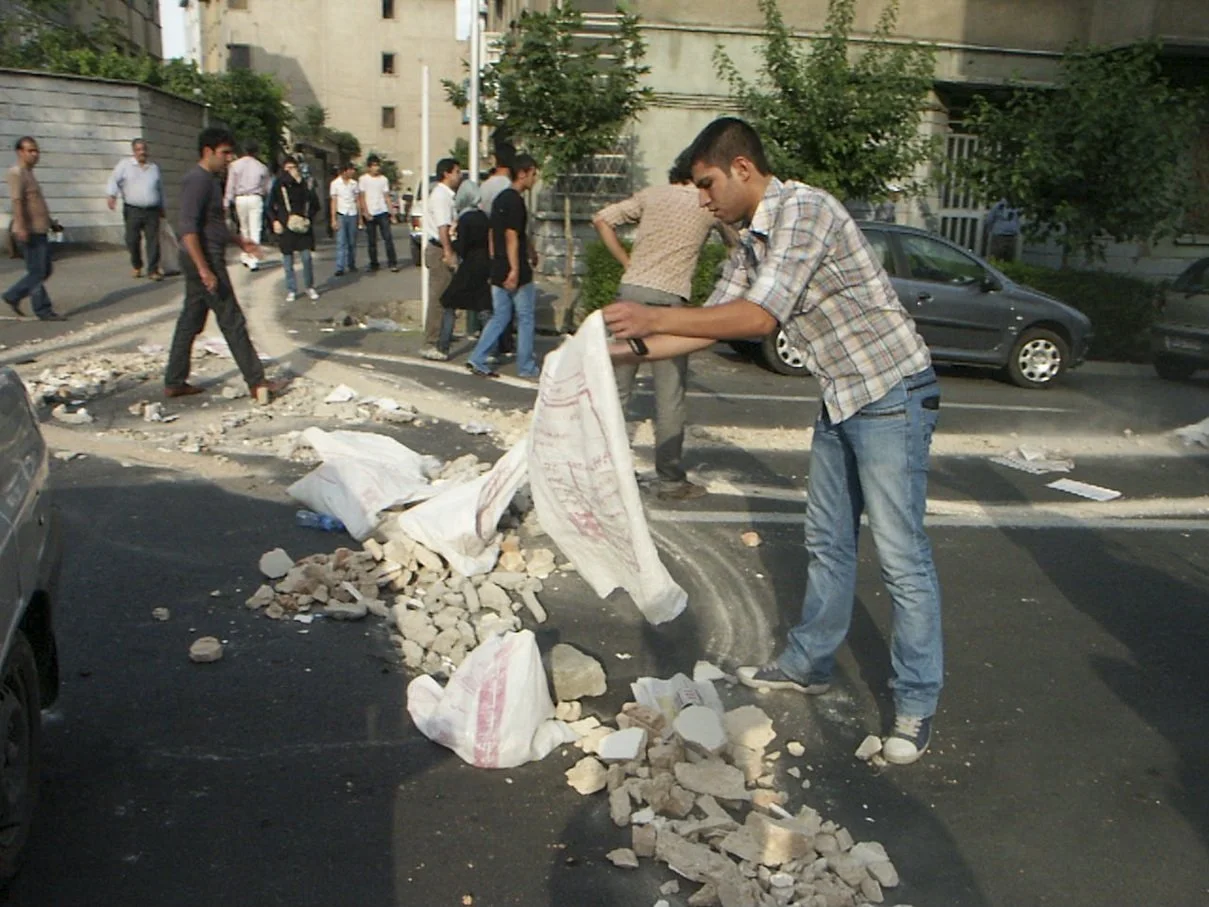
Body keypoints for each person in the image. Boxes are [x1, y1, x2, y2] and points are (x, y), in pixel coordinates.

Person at [603, 118, 942, 765]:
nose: (702, 200)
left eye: (706, 184)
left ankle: (916, 703)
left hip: (892, 394)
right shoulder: (749, 242)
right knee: (827, 541)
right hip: (842, 395)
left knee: (902, 558)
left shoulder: (805, 212)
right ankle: (808, 663)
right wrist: (614, 352)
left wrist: (652, 313)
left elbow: (759, 318)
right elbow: (709, 325)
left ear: (742, 169)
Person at [593, 149, 733, 502]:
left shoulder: (651, 195)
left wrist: (628, 262)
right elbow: (737, 243)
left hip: (630, 294)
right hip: (670, 303)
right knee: (669, 398)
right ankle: (670, 481)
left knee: (616, 391)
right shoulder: (706, 204)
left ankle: (603, 473)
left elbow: (602, 219)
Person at [165, 127, 287, 403]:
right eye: (225, 153)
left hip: (206, 256)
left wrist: (238, 240)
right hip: (204, 258)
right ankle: (257, 382)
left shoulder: (210, 180)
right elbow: (188, 230)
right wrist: (204, 269)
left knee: (191, 319)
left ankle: (174, 381)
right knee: (232, 319)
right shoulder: (197, 181)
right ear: (207, 151)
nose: (229, 159)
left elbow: (213, 224)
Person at [468, 154, 540, 379]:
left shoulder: (500, 199)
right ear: (523, 173)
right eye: (533, 174)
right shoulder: (516, 201)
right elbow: (512, 236)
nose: (535, 179)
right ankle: (526, 365)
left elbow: (495, 232)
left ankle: (478, 357)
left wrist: (496, 259)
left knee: (500, 315)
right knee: (525, 317)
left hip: (498, 264)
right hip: (514, 267)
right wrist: (515, 269)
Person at [4, 136, 65, 322]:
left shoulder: (29, 173)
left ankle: (14, 295)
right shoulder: (16, 173)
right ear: (20, 152)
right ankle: (41, 309)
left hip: (40, 229)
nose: (35, 154)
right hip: (28, 230)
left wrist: (51, 223)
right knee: (37, 272)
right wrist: (21, 226)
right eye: (30, 151)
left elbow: (36, 203)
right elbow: (17, 201)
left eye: (36, 150)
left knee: (43, 270)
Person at [431, 181, 492, 360]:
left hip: (469, 266)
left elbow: (463, 246)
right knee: (484, 307)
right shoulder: (484, 217)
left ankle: (442, 348)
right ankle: (490, 350)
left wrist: (452, 245)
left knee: (448, 302)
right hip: (485, 264)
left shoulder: (465, 219)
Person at [106, 138, 165, 280]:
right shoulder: (125, 165)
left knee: (153, 241)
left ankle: (153, 270)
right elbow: (113, 179)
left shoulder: (154, 168)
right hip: (133, 209)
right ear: (134, 151)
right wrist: (112, 195)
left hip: (152, 210)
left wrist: (162, 206)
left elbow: (160, 189)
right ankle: (137, 265)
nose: (142, 152)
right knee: (132, 240)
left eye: (144, 149)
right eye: (138, 150)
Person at [420, 157, 461, 358]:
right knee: (439, 298)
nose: (459, 176)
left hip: (442, 247)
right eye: (457, 172)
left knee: (447, 296)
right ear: (447, 173)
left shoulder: (447, 196)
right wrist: (448, 252)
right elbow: (442, 228)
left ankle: (443, 336)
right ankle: (431, 342)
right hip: (439, 250)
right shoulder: (441, 196)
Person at [267, 155, 321, 302]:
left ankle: (309, 286)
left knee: (306, 258)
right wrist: (275, 221)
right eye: (287, 168)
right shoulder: (279, 184)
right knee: (287, 259)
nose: (290, 171)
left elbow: (315, 204)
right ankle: (291, 289)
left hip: (303, 226)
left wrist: (309, 218)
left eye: (293, 168)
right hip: (286, 225)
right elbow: (269, 206)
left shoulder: (305, 184)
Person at [223, 139, 270, 270]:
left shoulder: (234, 165)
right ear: (256, 151)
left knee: (244, 228)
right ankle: (253, 258)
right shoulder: (261, 167)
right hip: (255, 197)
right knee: (256, 228)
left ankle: (247, 254)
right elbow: (266, 187)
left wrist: (226, 202)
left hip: (240, 198)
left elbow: (230, 185)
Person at [359, 155, 399, 272]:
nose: (376, 168)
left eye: (377, 165)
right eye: (374, 166)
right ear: (369, 167)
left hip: (382, 211)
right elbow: (362, 197)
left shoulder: (383, 179)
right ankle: (374, 263)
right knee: (372, 240)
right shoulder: (363, 179)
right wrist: (365, 212)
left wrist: (392, 213)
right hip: (370, 212)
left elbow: (387, 197)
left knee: (388, 238)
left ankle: (392, 263)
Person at [329, 162, 361, 277]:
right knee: (341, 241)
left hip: (352, 213)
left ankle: (351, 263)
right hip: (341, 214)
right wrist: (333, 219)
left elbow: (357, 200)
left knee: (352, 241)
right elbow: (334, 201)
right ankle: (340, 267)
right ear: (344, 171)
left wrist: (360, 218)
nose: (352, 172)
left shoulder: (354, 184)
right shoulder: (335, 184)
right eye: (350, 170)